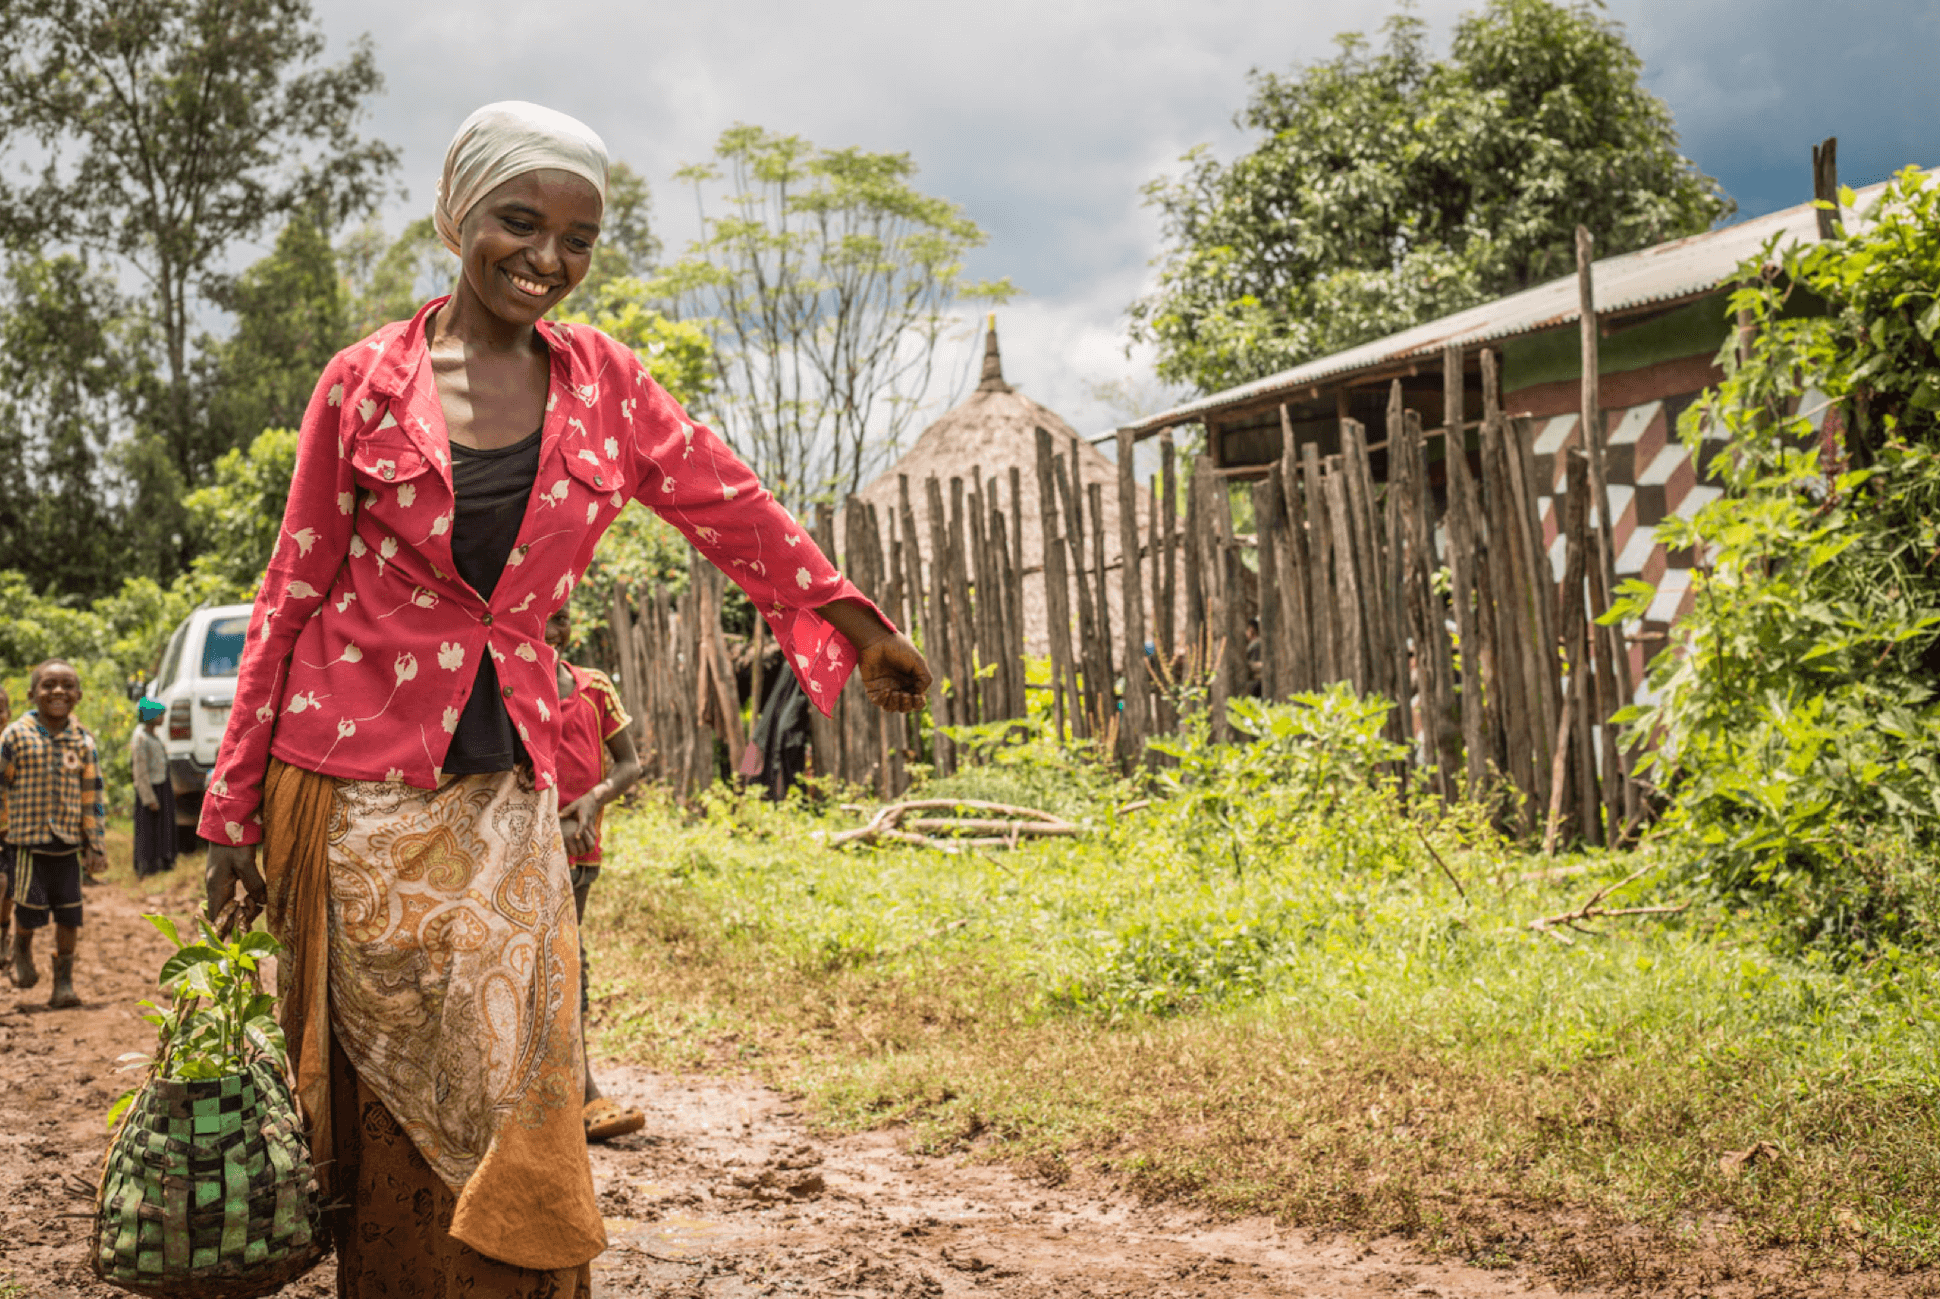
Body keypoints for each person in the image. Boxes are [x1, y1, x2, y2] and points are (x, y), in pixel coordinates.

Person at [198, 101, 931, 1298]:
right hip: (350, 789)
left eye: (578, 239)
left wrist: (859, 622)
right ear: (457, 217)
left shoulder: (607, 387)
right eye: (519, 223)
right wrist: (231, 815)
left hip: (508, 789)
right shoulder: (363, 384)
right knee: (379, 1091)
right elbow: (290, 589)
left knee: (516, 1078)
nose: (546, 257)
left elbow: (729, 506)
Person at [543, 606, 645, 1143]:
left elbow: (628, 764)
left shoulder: (594, 688)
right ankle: (576, 1096)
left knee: (566, 966)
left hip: (580, 854)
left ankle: (578, 1096)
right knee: (539, 971)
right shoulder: (504, 689)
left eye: (559, 620)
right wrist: (547, 824)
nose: (551, 632)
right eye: (539, 620)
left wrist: (592, 798)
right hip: (524, 854)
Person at [0, 659, 105, 1007]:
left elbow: (92, 797)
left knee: (70, 915)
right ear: (32, 694)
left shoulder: (83, 741)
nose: (57, 691)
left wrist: (95, 845)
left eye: (66, 685)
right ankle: (22, 944)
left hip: (67, 847)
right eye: (48, 685)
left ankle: (64, 983)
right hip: (26, 844)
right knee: (28, 910)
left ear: (78, 695)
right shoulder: (14, 736)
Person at [129, 699, 175, 878]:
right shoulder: (140, 738)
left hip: (161, 784)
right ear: (151, 716)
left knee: (162, 827)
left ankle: (162, 860)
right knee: (148, 829)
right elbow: (140, 771)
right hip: (150, 789)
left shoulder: (154, 735)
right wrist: (149, 798)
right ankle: (146, 865)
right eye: (160, 715)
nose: (163, 718)